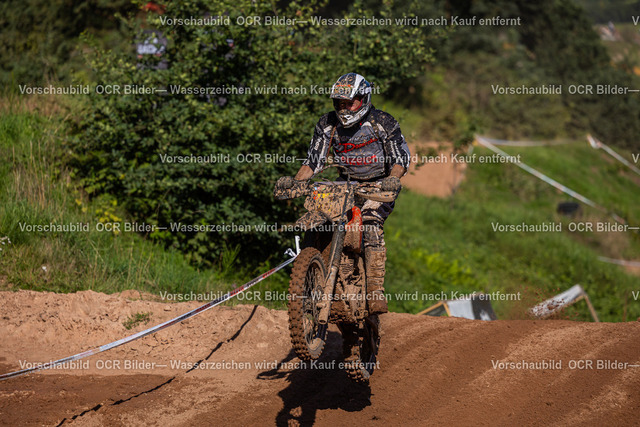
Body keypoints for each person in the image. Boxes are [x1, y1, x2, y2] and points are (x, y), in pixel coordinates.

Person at [281, 72, 410, 314]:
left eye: (349, 102)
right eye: (339, 103)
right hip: (344, 183)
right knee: (318, 221)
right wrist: (295, 182)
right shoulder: (328, 123)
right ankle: (309, 279)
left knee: (370, 223)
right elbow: (314, 161)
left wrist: (393, 178)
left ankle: (374, 290)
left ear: (364, 99)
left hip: (378, 185)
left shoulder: (383, 121)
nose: (344, 108)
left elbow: (400, 158)